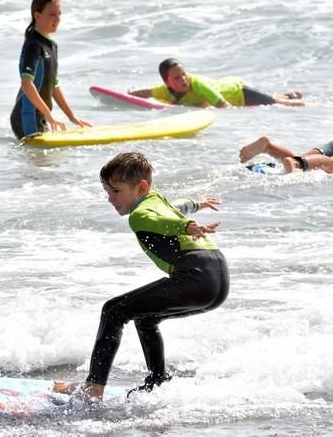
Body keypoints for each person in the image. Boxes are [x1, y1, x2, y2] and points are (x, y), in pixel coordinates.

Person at [53, 152, 230, 402]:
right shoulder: (157, 201)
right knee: (144, 318)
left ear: (142, 187)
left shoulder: (140, 216)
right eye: (107, 191)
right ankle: (157, 381)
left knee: (113, 310)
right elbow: (173, 209)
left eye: (115, 191)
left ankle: (93, 389)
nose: (110, 198)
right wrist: (196, 203)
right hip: (217, 280)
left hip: (196, 275)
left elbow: (162, 222)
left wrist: (187, 226)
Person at [10, 0, 90, 139]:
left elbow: (54, 86)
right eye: (52, 14)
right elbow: (27, 84)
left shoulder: (51, 46)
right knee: (39, 161)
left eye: (59, 14)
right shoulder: (33, 45)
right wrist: (48, 114)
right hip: (27, 117)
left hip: (40, 116)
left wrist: (72, 116)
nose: (57, 19)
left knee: (46, 161)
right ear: (37, 16)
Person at [129, 58, 305, 108]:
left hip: (239, 93)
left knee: (280, 104)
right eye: (177, 78)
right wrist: (129, 94)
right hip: (228, 87)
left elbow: (223, 106)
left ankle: (301, 102)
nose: (183, 79)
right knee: (273, 99)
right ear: (166, 82)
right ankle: (288, 94)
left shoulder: (198, 84)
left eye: (184, 74)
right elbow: (147, 93)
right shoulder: (164, 91)